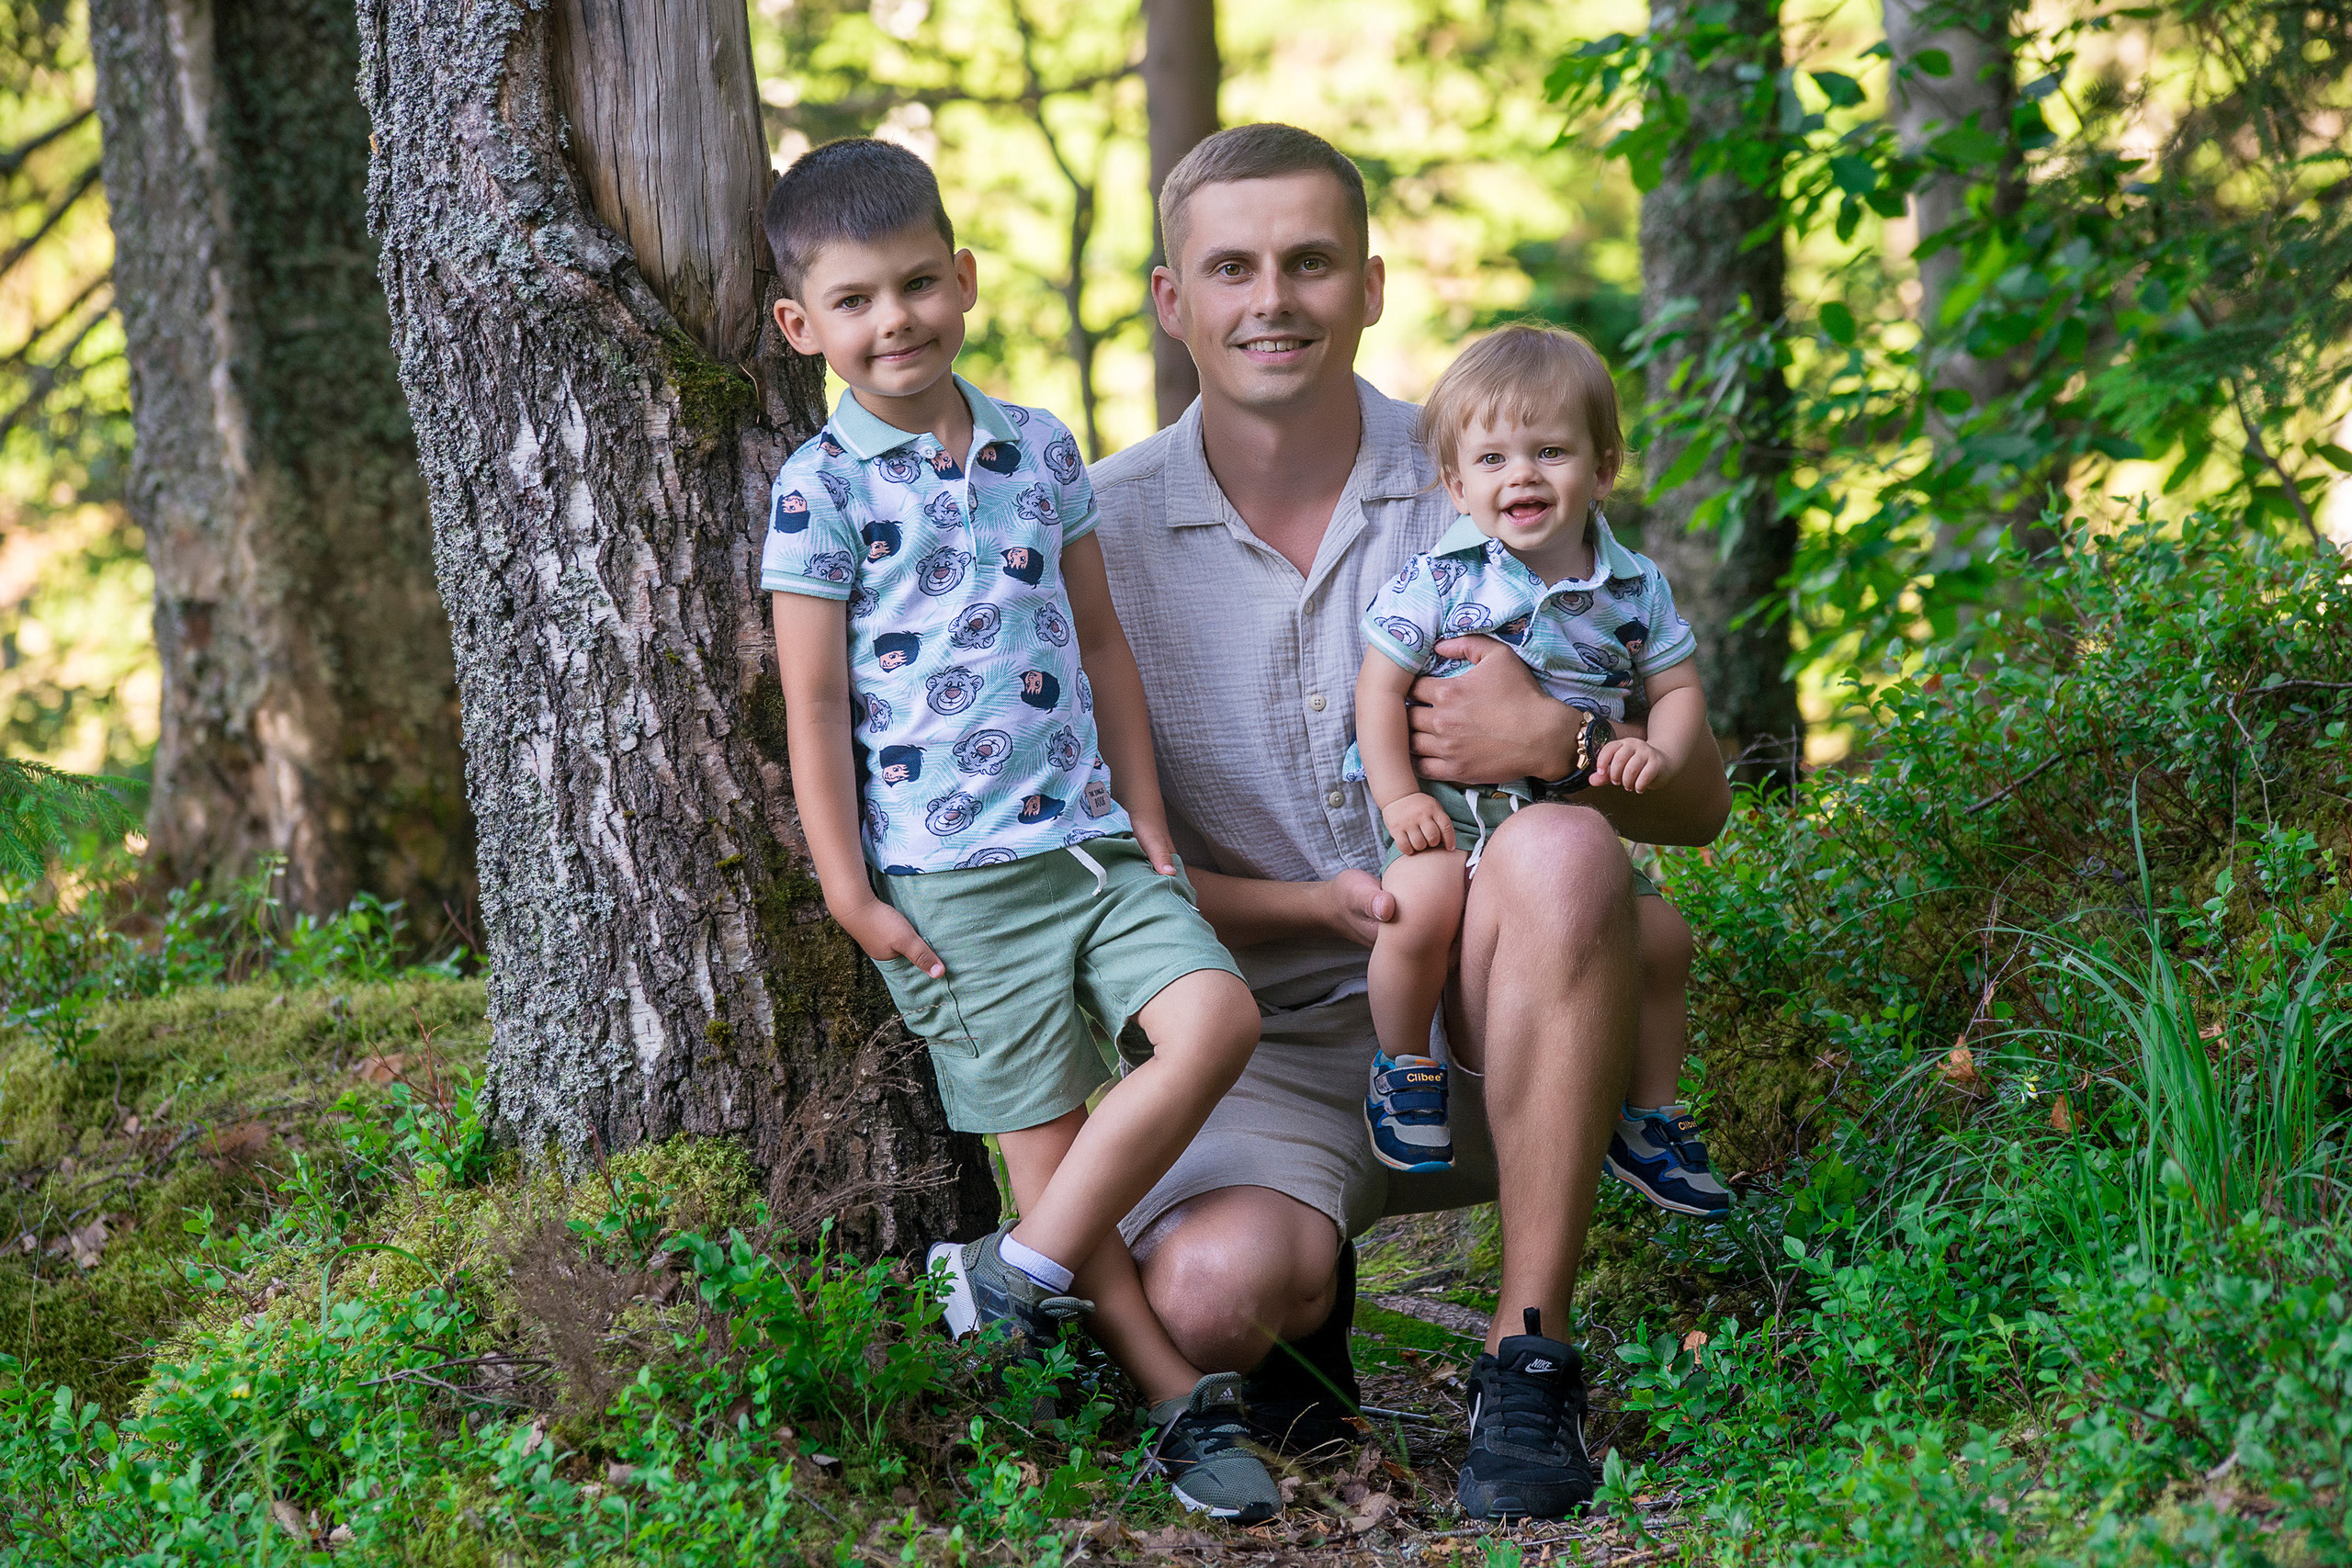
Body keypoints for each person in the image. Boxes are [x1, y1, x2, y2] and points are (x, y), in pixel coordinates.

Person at [1089, 123, 1733, 1520]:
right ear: (1170, 298)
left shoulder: (1494, 463)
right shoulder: (1098, 530)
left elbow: (1701, 808)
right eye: (1233, 267)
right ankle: (1301, 1308)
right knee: (1208, 1296)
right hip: (1246, 1039)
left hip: (1490, 1006)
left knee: (1563, 845)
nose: (1275, 299)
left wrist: (1560, 741)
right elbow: (1087, 860)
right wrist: (1303, 906)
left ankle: (1527, 1357)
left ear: (1370, 285)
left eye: (1311, 262)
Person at [758, 139, 1280, 1523]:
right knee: (1053, 1163)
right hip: (952, 885)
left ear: (966, 280)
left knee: (1217, 1019)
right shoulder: (821, 489)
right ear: (801, 328)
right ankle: (1175, 1401)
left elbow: (1101, 642)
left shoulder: (1039, 444)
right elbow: (811, 703)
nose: (897, 320)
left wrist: (1152, 818)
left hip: (1099, 846)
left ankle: (1002, 1276)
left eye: (919, 282)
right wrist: (848, 890)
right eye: (857, 300)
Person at [1348, 325, 1734, 1224]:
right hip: (1449, 815)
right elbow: (1378, 691)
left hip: (1559, 826)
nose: (1519, 475)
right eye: (1492, 458)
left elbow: (1677, 690)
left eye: (1549, 451)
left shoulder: (1634, 590)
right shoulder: (1438, 581)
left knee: (1666, 937)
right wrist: (1399, 796)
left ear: (1602, 470)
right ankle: (1403, 1066)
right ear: (1457, 485)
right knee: (1415, 907)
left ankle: (1649, 1117)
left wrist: (1657, 750)